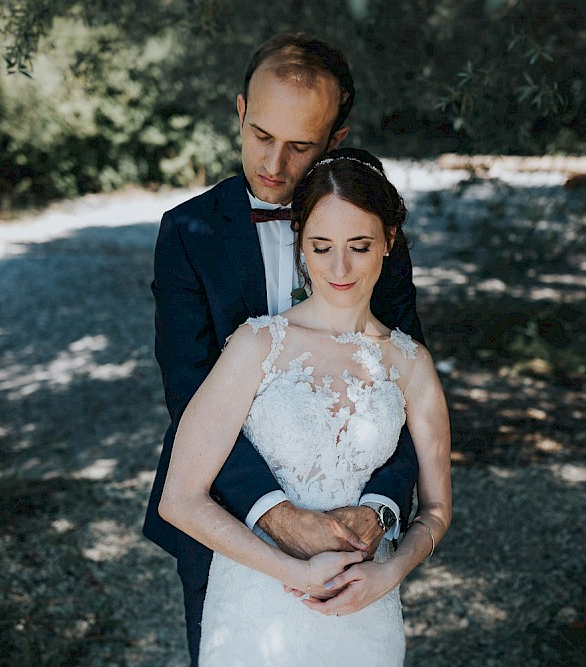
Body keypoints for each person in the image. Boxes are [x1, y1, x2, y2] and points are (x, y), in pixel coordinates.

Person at [141, 33, 424, 664]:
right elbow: (188, 395)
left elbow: (404, 379)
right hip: (224, 511)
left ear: (336, 141)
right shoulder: (188, 233)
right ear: (240, 111)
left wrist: (379, 508)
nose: (273, 164)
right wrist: (275, 516)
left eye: (299, 147)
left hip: (356, 529)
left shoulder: (371, 232)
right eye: (260, 134)